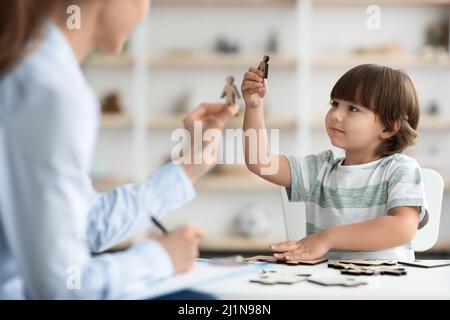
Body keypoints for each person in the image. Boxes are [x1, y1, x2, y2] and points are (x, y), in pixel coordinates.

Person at [0, 0, 238, 299]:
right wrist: (159, 257)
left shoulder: (33, 65)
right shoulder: (52, 90)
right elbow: (61, 289)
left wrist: (189, 167)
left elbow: (86, 222)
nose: (145, 10)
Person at [241, 63, 428, 261]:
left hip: (385, 289)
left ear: (389, 128)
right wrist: (254, 106)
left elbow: (403, 228)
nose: (336, 115)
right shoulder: (320, 169)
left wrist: (327, 238)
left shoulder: (400, 169)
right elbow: (259, 162)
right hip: (326, 286)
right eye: (335, 104)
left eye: (353, 109)